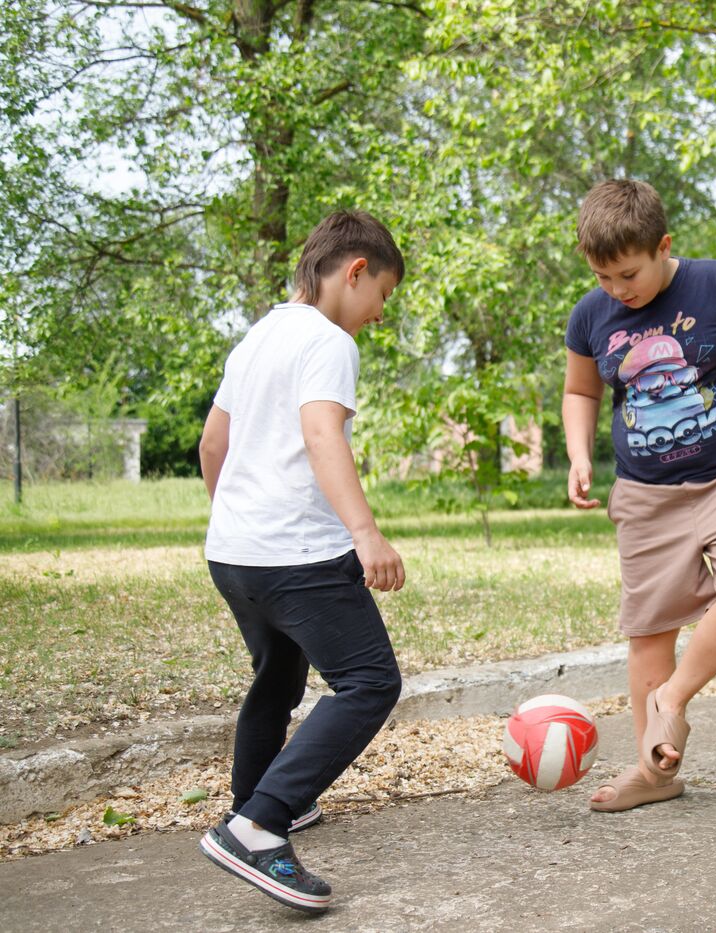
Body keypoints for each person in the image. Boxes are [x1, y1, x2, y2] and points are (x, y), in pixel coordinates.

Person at [196, 211, 407, 913]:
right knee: (370, 680)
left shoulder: (259, 335)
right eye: (382, 294)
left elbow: (212, 445)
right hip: (297, 555)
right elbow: (322, 433)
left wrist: (240, 520)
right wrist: (365, 532)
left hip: (233, 552)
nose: (379, 313)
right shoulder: (328, 340)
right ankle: (258, 826)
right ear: (354, 271)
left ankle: (251, 798)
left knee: (278, 675)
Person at [563, 179, 716, 812]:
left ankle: (673, 697)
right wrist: (580, 454)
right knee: (651, 630)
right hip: (645, 493)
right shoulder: (590, 316)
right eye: (603, 277)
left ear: (663, 246)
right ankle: (655, 775)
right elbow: (582, 392)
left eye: (628, 273)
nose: (616, 289)